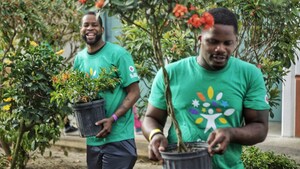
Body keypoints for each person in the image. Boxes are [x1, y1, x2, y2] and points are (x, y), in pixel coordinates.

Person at [142, 7, 270, 169]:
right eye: (213, 41)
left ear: (236, 41)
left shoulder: (249, 74)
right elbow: (152, 117)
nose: (220, 49)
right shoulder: (170, 73)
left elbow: (260, 127)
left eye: (227, 43)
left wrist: (231, 133)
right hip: (179, 165)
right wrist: (155, 135)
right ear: (200, 39)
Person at [73, 11, 140, 169]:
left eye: (94, 25)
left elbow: (134, 92)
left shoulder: (118, 54)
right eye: (86, 25)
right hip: (94, 138)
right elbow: (80, 94)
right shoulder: (79, 59)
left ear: (102, 29)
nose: (90, 28)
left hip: (118, 137)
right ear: (81, 30)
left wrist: (113, 118)